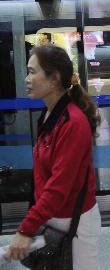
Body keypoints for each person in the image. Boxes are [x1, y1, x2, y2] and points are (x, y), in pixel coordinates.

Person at [4, 45, 101, 269]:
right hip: (53, 219)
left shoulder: (73, 122)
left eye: (32, 71)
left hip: (76, 224)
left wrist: (26, 229)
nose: (27, 78)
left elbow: (59, 186)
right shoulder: (48, 115)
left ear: (54, 78)